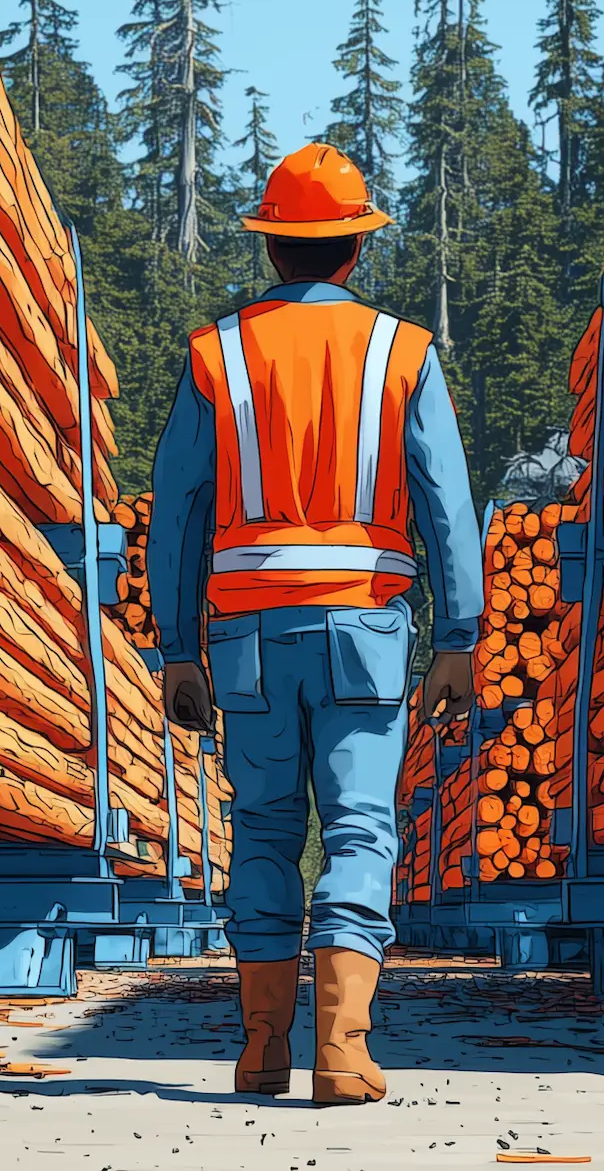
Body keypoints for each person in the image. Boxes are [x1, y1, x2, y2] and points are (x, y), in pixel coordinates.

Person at [147, 142, 483, 1105]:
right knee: (361, 831)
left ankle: (260, 1052)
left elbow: (177, 508)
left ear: (271, 250)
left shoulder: (218, 355)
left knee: (260, 831)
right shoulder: (401, 352)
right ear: (356, 251)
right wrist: (457, 637)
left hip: (248, 639)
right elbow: (447, 505)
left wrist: (179, 650)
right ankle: (343, 1054)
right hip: (366, 633)